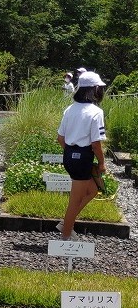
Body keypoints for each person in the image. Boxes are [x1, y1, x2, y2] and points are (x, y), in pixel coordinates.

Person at [56, 70, 107, 240]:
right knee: (75, 201)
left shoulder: (69, 109)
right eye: (99, 88)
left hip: (70, 155)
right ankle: (65, 238)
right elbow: (96, 144)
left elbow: (60, 138)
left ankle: (66, 224)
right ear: (93, 89)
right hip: (83, 157)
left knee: (92, 190)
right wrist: (102, 163)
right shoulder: (95, 112)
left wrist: (72, 153)